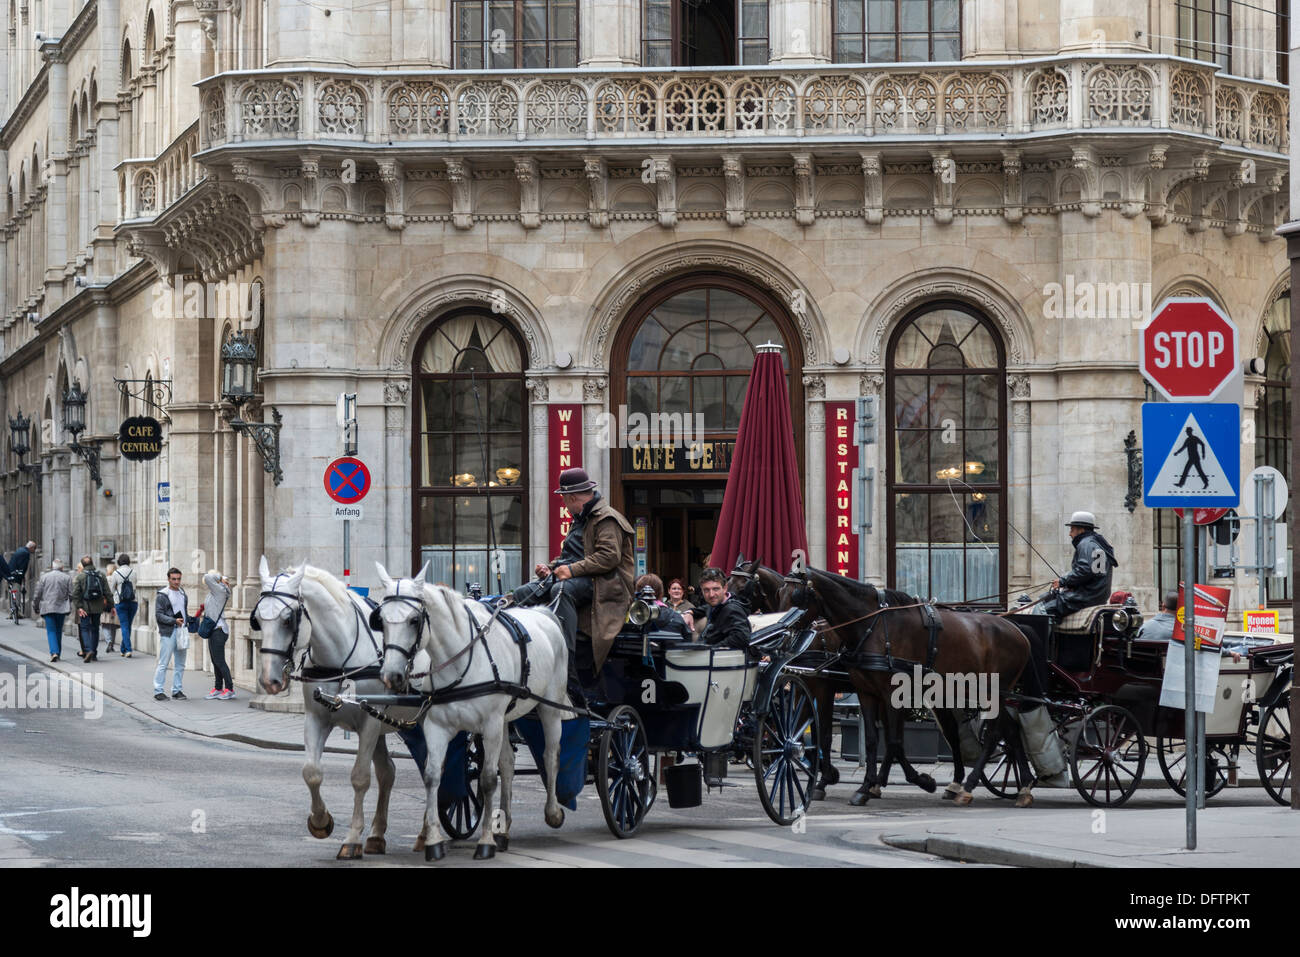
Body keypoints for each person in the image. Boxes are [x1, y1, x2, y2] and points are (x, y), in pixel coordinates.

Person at [513, 467, 634, 704]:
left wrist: (569, 570)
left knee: (561, 590)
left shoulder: (607, 519)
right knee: (523, 593)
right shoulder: (581, 520)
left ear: (572, 498)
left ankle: (563, 653)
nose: (565, 505)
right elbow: (572, 556)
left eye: (565, 500)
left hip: (605, 586)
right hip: (581, 579)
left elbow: (609, 558)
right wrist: (551, 567)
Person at [1041, 511, 1119, 620]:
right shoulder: (1097, 542)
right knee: (1044, 598)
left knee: (1041, 611)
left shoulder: (1085, 543)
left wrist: (1062, 581)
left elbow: (1085, 570)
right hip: (1097, 595)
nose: (1070, 534)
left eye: (1072, 529)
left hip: (1085, 597)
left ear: (1081, 530)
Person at [154, 567, 190, 701]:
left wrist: (190, 619)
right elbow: (159, 615)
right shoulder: (163, 594)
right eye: (174, 579)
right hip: (168, 632)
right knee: (163, 663)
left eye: (179, 579)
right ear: (168, 579)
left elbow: (183, 612)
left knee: (180, 663)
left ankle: (177, 690)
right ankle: (158, 690)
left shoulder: (182, 593)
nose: (176, 581)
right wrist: (174, 621)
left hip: (182, 631)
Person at [200, 569, 236, 700]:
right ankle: (218, 688)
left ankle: (230, 689)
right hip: (213, 630)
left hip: (219, 631)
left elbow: (207, 577)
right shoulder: (215, 593)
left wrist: (218, 577)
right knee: (215, 661)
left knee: (220, 661)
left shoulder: (221, 591)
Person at [697, 567, 752, 651]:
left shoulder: (732, 609)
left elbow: (742, 637)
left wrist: (711, 650)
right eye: (706, 590)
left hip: (718, 659)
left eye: (715, 589)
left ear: (725, 588)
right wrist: (690, 612)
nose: (711, 594)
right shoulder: (714, 605)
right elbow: (704, 608)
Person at [70, 556, 111, 663]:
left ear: (83, 565)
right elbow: (107, 592)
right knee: (95, 629)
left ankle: (88, 650)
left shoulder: (80, 577)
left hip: (85, 607)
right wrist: (111, 606)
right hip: (98, 607)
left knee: (84, 629)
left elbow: (75, 594)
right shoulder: (101, 575)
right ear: (93, 563)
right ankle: (94, 652)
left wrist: (79, 607)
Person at [32, 559, 72, 662]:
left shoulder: (44, 577)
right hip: (62, 608)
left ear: (52, 567)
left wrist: (35, 606)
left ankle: (54, 652)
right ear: (62, 567)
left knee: (51, 631)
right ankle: (57, 653)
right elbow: (71, 594)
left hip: (48, 607)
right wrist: (68, 602)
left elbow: (37, 594)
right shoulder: (67, 578)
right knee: (58, 630)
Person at [633, 573, 693, 640]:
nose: (676, 591)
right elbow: (687, 642)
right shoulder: (677, 618)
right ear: (665, 592)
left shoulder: (631, 618)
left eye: (679, 589)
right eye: (674, 588)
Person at [110, 553, 138, 658]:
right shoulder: (134, 572)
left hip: (120, 602)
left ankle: (128, 649)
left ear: (119, 562)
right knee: (128, 626)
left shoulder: (116, 573)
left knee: (124, 626)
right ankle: (123, 649)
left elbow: (112, 589)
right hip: (133, 601)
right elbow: (135, 586)